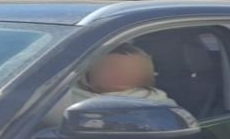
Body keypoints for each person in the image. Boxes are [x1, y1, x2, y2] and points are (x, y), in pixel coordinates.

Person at [44, 43, 177, 127]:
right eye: (110, 68)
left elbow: (171, 124)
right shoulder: (63, 95)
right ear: (89, 71)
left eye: (132, 69)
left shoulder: (154, 100)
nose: (121, 74)